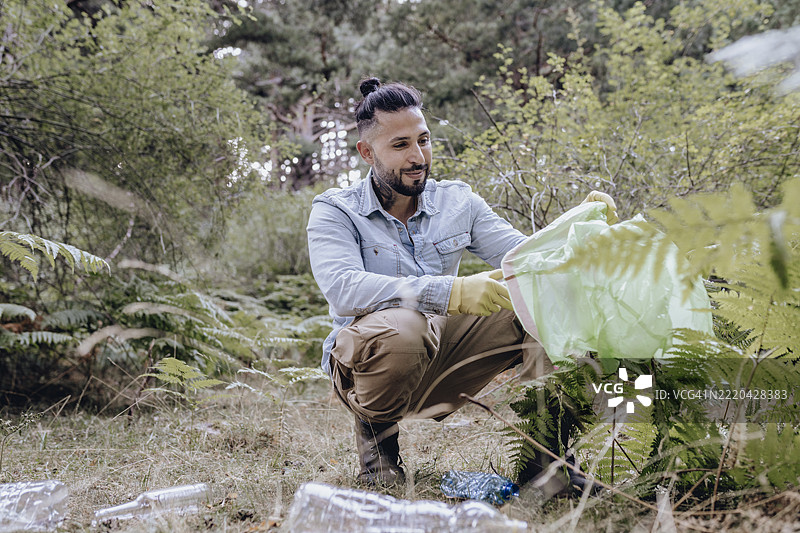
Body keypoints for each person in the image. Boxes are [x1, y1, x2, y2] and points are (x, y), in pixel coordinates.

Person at [306, 77, 617, 487]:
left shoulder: (459, 202)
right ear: (367, 152)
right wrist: (451, 291)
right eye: (400, 145)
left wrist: (580, 227)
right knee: (406, 325)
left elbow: (530, 258)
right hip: (370, 371)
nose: (418, 156)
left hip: (441, 364)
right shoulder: (335, 211)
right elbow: (343, 287)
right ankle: (378, 456)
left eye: (424, 140)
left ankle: (548, 464)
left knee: (540, 293)